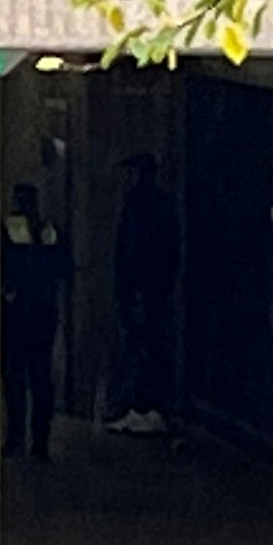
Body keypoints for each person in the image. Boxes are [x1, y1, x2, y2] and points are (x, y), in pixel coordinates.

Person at [106, 154, 180, 436]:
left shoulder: (148, 206)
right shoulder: (139, 204)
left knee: (146, 346)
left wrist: (140, 287)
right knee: (139, 344)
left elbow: (147, 251)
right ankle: (143, 405)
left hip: (145, 289)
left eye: (131, 173)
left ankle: (147, 407)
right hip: (140, 288)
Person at [1, 184, 68, 461]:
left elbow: (0, 263)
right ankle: (40, 443)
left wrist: (7, 292)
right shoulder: (49, 230)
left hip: (17, 311)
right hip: (43, 310)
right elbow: (63, 266)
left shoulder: (8, 227)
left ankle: (16, 438)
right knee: (41, 376)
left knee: (15, 377)